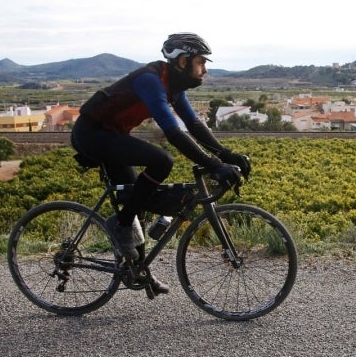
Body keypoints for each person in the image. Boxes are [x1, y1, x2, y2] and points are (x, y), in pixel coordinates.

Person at [71, 33, 250, 294]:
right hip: (91, 134)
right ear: (181, 62)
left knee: (137, 201)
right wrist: (213, 165)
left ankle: (139, 271)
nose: (205, 70)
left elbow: (194, 125)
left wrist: (227, 155)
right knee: (161, 160)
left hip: (112, 135)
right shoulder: (150, 80)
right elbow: (174, 132)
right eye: (201, 62)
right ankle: (120, 225)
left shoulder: (174, 87)